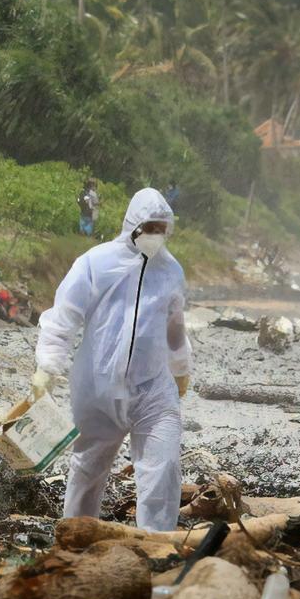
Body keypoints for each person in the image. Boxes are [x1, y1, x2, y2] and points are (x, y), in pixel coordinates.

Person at [33, 188, 192, 530]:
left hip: (152, 389)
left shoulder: (171, 271)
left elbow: (175, 327)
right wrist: (48, 365)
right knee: (88, 469)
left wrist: (181, 368)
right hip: (98, 388)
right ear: (132, 225)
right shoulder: (96, 263)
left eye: (162, 229)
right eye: (149, 227)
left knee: (163, 468)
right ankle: (77, 537)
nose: (155, 235)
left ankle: (156, 545)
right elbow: (64, 317)